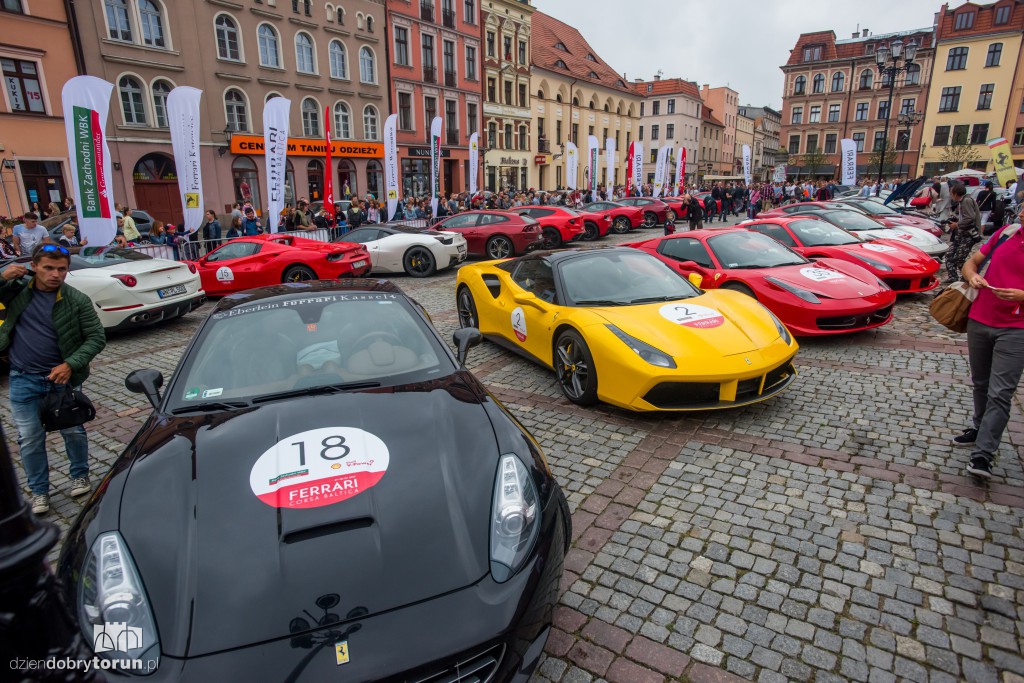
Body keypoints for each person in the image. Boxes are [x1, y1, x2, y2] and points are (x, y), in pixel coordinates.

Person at [0, 242, 106, 514]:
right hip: (23, 377)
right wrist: (2, 276)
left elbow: (96, 337)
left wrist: (71, 364)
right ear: (33, 267)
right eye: (48, 268)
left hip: (63, 379)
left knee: (72, 429)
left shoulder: (76, 299)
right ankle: (39, 492)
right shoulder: (17, 292)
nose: (55, 274)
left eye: (61, 269)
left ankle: (79, 474)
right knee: (30, 437)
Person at [959, 223, 1024, 479]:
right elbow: (970, 263)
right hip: (980, 319)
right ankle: (979, 427)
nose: (1022, 211)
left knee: (1000, 393)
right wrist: (972, 275)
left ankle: (983, 455)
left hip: (1016, 329)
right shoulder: (1007, 232)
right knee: (981, 383)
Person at [945, 183, 981, 283]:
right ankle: (953, 277)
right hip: (961, 234)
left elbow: (970, 217)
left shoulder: (966, 201)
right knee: (949, 255)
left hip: (969, 235)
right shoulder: (963, 201)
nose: (951, 196)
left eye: (951, 193)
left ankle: (969, 278)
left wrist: (956, 224)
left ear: (955, 193)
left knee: (959, 258)